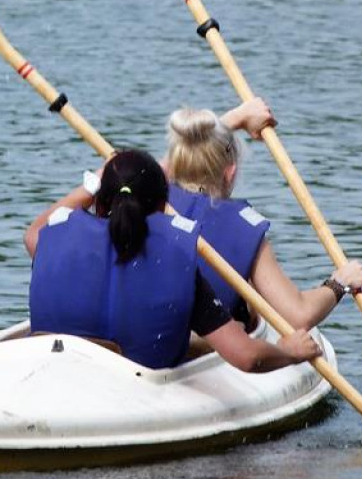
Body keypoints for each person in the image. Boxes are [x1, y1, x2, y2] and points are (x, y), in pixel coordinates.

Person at [24, 148, 321, 373]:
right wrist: (289, 352)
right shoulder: (178, 260)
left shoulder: (52, 237)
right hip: (137, 385)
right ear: (163, 205)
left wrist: (91, 185)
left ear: (100, 202)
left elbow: (33, 233)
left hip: (60, 373)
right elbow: (247, 357)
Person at [164, 99, 362, 330]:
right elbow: (299, 315)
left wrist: (234, 119)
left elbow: (148, 167)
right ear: (230, 173)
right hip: (207, 355)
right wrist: (340, 282)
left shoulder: (146, 197)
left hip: (139, 352)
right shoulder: (243, 227)